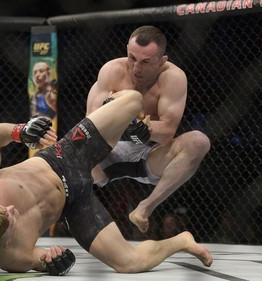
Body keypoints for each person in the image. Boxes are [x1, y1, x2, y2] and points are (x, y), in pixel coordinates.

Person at [0, 89, 213, 275]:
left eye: (2, 208)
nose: (11, 209)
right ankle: (181, 241)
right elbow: (42, 259)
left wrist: (20, 131)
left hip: (63, 156)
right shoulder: (12, 257)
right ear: (4, 242)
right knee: (128, 263)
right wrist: (56, 262)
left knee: (134, 100)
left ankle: (120, 127)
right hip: (74, 204)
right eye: (10, 219)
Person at [86, 25, 211, 233]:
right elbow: (90, 126)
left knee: (199, 142)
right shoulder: (112, 71)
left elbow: (168, 132)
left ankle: (144, 208)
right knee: (65, 151)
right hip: (106, 152)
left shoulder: (173, 78)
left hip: (148, 155)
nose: (136, 68)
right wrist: (127, 124)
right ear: (126, 49)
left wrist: (144, 128)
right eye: (132, 58)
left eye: (145, 62)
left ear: (162, 61)